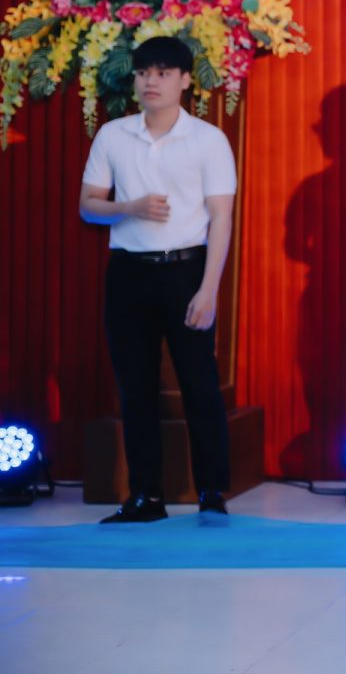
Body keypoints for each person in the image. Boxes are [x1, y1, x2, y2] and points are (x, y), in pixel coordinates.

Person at [80, 36, 236, 521]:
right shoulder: (113, 135)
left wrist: (209, 289)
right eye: (144, 72)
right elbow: (88, 206)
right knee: (136, 387)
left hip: (187, 269)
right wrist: (129, 207)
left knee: (200, 385)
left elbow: (221, 217)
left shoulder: (208, 139)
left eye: (164, 73)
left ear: (186, 81)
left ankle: (212, 493)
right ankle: (146, 496)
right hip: (128, 272)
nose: (152, 81)